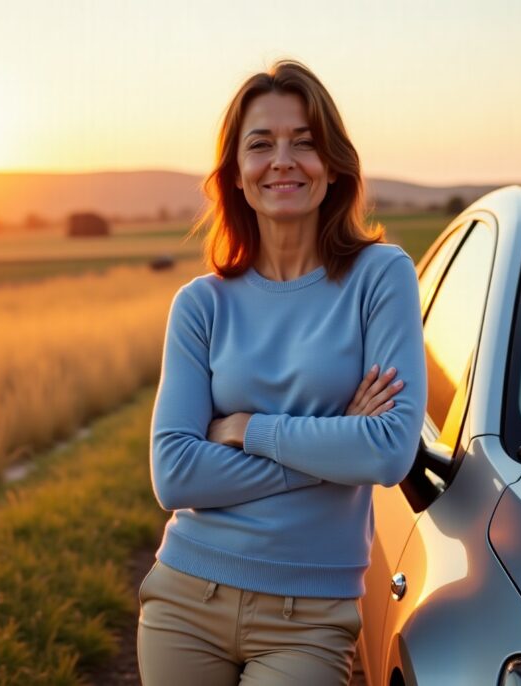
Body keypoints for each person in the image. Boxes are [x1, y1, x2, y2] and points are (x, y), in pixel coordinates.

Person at [138, 60, 426, 685]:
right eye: (261, 144)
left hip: (312, 616)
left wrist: (245, 426)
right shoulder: (201, 304)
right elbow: (175, 473)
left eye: (305, 142)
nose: (283, 160)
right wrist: (330, 442)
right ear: (236, 176)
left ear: (334, 164)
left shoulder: (381, 276)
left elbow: (386, 453)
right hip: (185, 598)